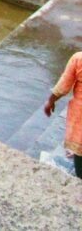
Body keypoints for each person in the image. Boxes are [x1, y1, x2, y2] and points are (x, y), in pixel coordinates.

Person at [44, 49, 82, 179]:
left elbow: (63, 86)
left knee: (79, 145)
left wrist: (50, 101)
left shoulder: (78, 59)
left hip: (80, 114)